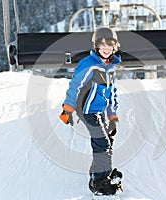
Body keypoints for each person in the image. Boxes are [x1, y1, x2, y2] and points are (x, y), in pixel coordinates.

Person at [59, 27, 123, 196]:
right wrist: (68, 109)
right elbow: (75, 86)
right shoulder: (88, 65)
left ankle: (101, 174)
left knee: (107, 140)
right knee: (102, 143)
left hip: (99, 111)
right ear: (96, 46)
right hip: (86, 110)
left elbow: (111, 93)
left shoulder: (111, 67)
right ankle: (98, 182)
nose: (106, 48)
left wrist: (112, 116)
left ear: (114, 47)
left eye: (110, 45)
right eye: (103, 45)